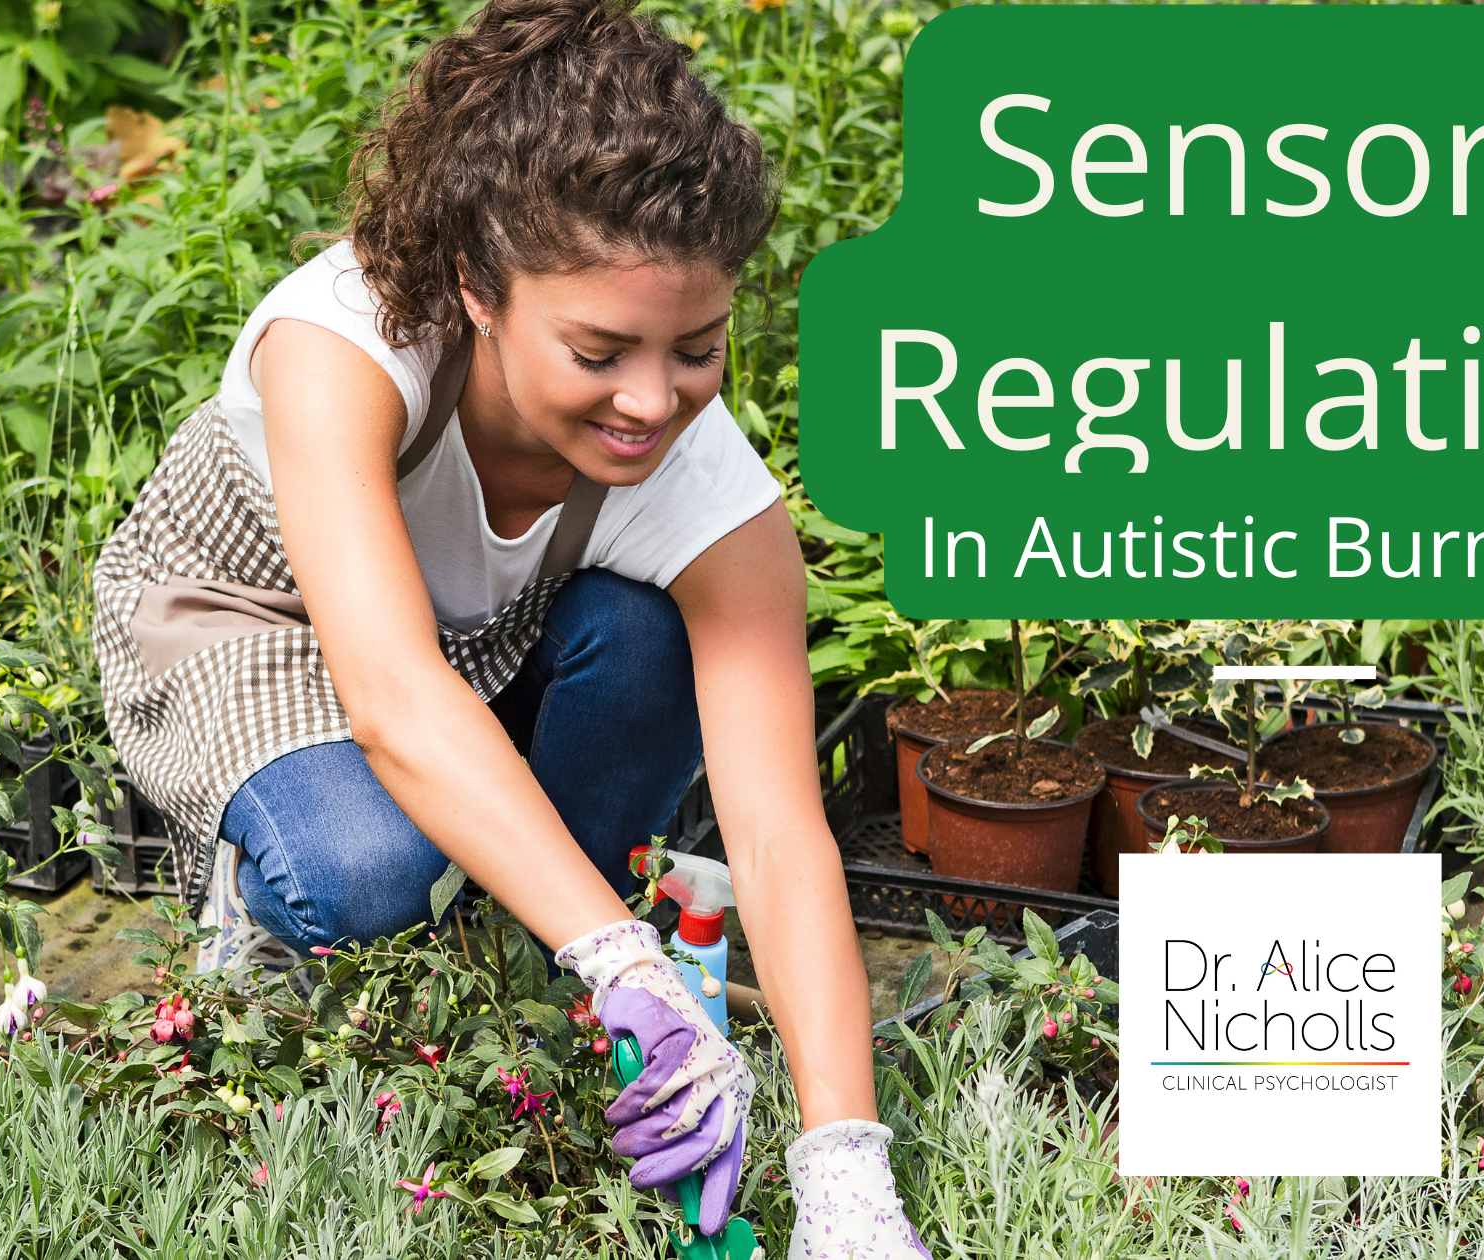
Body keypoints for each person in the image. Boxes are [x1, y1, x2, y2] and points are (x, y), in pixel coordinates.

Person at [93, 0, 928, 1254]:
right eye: (598, 350)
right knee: (365, 872)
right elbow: (389, 693)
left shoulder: (705, 484)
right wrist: (636, 962)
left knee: (647, 637)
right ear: (479, 289)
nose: (652, 400)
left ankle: (528, 967)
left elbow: (773, 826)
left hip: (461, 648)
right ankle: (270, 913)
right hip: (246, 626)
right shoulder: (343, 343)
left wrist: (842, 1173)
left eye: (696, 349)